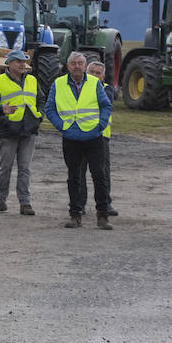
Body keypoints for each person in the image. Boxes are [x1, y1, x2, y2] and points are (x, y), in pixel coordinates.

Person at [45, 51, 113, 229]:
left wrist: (101, 124)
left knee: (99, 176)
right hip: (71, 137)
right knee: (74, 177)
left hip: (94, 137)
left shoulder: (95, 84)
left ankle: (103, 215)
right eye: (73, 63)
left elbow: (106, 105)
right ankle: (75, 215)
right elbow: (49, 108)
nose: (77, 66)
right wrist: (62, 126)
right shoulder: (58, 84)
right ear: (68, 66)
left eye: (80, 63)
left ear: (85, 66)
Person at [0, 50, 42, 216]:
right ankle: (0, 201)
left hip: (29, 130)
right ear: (9, 64)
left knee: (25, 168)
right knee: (6, 167)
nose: (22, 64)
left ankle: (25, 203)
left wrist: (39, 116)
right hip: (9, 131)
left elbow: (41, 100)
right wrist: (4, 121)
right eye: (18, 61)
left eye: (24, 61)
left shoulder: (32, 80)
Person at [86, 61, 118, 217]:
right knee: (78, 172)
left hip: (101, 136)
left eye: (98, 73)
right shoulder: (80, 89)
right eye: (91, 71)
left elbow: (104, 104)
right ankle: (80, 204)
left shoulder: (107, 90)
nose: (94, 75)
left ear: (103, 76)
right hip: (80, 134)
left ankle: (107, 203)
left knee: (103, 172)